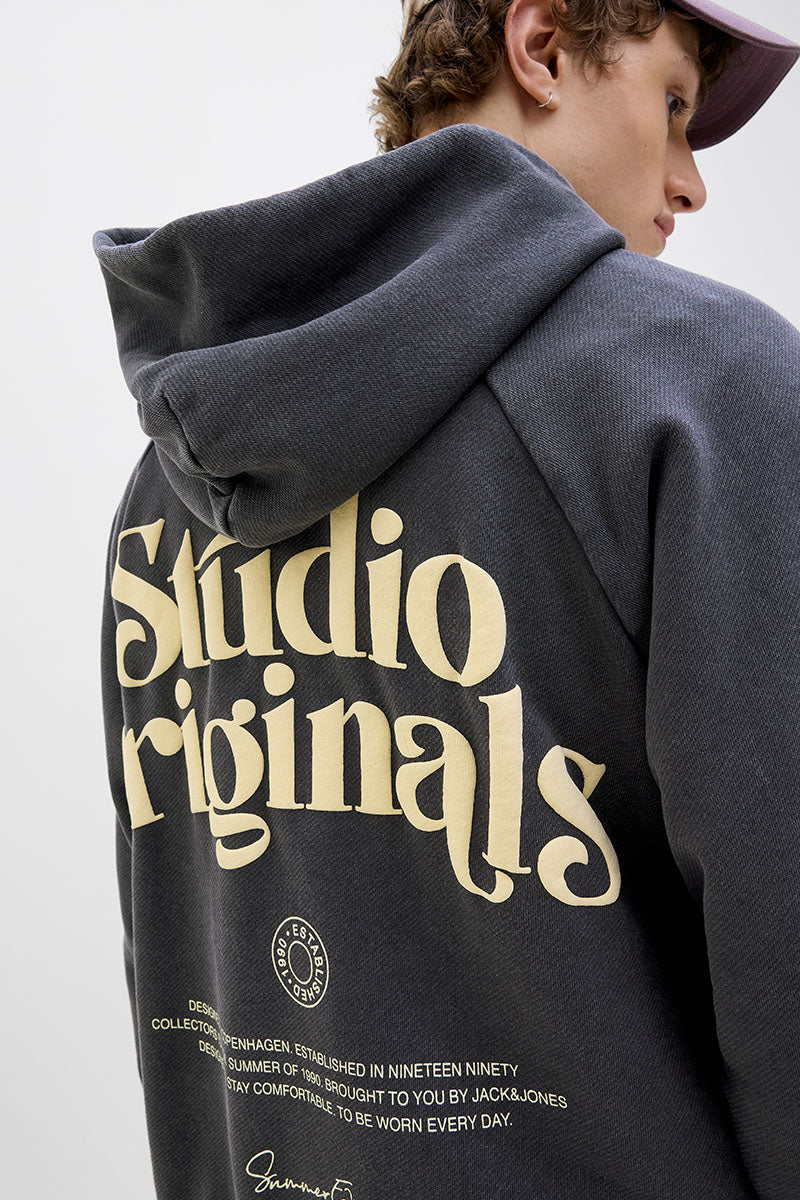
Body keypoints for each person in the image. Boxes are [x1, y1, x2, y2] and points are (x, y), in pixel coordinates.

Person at [92, 1, 800, 1197]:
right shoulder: (704, 390)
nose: (688, 182)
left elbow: (179, 984)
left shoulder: (168, 483)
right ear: (541, 45)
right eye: (673, 104)